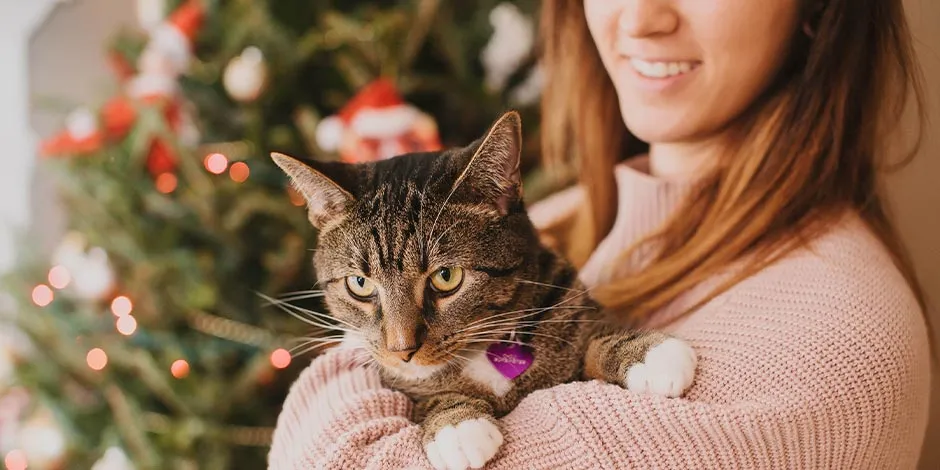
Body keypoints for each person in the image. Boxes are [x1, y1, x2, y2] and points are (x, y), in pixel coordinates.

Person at [267, 0, 934, 468]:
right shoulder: (597, 231)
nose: (641, 17)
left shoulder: (829, 348)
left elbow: (335, 460)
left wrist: (347, 371)